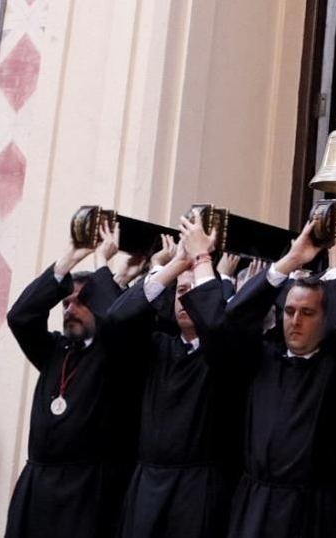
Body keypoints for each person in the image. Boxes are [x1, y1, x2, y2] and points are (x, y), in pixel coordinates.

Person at [180, 218, 336, 538]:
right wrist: (290, 260)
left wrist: (335, 262)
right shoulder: (259, 361)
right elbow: (225, 323)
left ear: (325, 318)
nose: (296, 322)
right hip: (254, 507)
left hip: (311, 514)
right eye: (289, 312)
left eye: (307, 313)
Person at [105, 220, 244, 538]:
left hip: (197, 492)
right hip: (147, 485)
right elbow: (116, 318)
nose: (187, 299)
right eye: (181, 292)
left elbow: (216, 326)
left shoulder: (223, 353)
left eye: (195, 291)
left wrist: (203, 262)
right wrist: (179, 264)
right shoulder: (155, 347)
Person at [3, 220, 133, 538]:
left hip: (87, 490)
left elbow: (120, 319)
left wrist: (109, 270)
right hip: (37, 484)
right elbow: (20, 317)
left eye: (79, 302)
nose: (69, 309)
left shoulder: (115, 352)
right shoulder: (53, 351)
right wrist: (69, 259)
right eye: (65, 303)